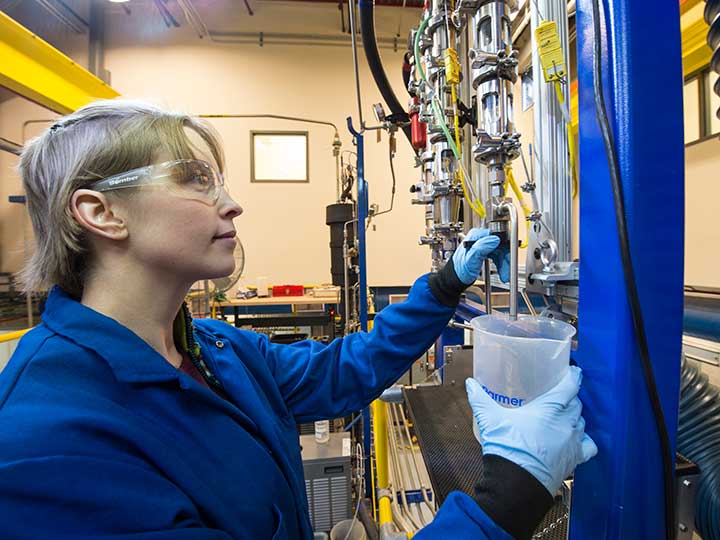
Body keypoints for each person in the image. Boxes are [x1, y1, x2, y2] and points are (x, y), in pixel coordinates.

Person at [0, 100, 596, 540]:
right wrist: (508, 496)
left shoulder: (208, 347)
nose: (232, 203)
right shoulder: (49, 438)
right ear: (101, 212)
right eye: (194, 180)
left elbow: (343, 368)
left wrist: (445, 285)